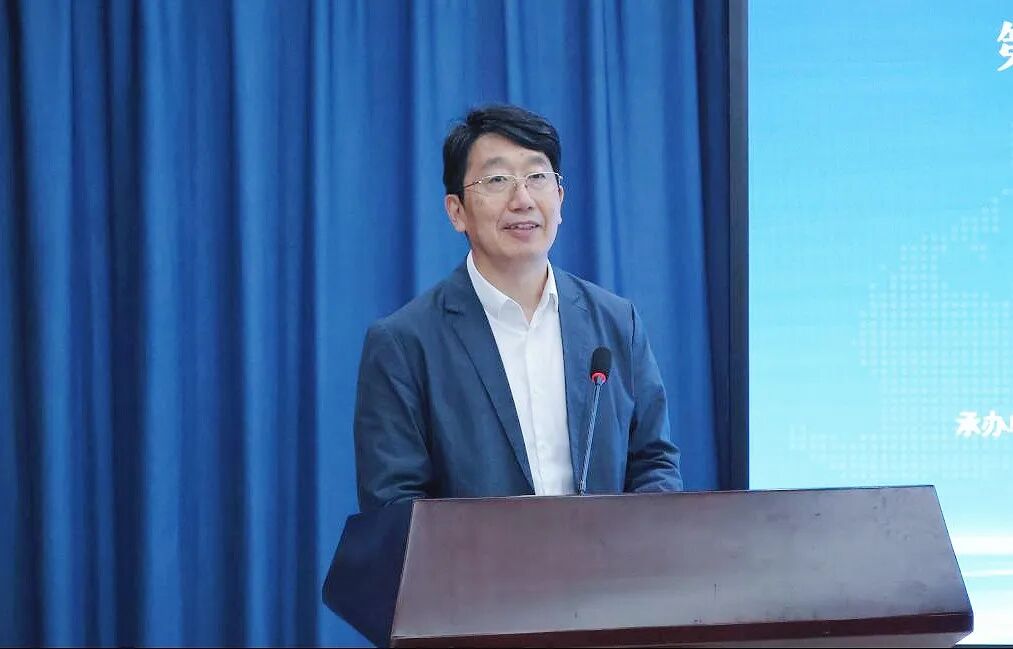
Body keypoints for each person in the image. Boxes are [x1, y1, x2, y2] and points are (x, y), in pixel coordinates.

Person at [353, 104, 682, 512]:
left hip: (607, 555)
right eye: (497, 180)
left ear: (560, 199)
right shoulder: (405, 345)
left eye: (537, 177)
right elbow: (396, 507)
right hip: (473, 557)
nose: (522, 199)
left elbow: (654, 463)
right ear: (456, 211)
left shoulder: (616, 324)